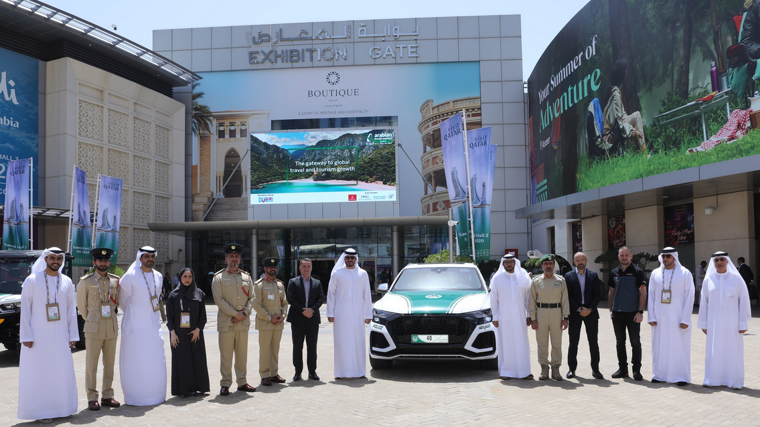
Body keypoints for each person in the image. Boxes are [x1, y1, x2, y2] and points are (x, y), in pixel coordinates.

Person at [17, 248, 79, 423]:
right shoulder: (32, 280)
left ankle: (63, 408)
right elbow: (25, 310)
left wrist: (73, 334)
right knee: (41, 373)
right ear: (45, 259)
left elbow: (70, 311)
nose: (56, 261)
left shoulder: (66, 281)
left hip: (60, 338)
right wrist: (26, 336)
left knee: (61, 372)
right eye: (53, 258)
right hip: (37, 338)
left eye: (59, 258)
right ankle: (42, 412)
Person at [118, 246, 167, 406]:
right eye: (146, 256)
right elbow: (123, 302)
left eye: (152, 256)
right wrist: (136, 317)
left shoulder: (158, 276)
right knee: (136, 362)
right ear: (140, 258)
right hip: (134, 329)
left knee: (154, 361)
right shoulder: (129, 277)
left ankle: (156, 395)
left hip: (153, 328)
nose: (150, 259)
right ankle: (135, 397)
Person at [698, 251, 752, 390]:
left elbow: (744, 302)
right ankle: (712, 379)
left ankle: (735, 381)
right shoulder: (708, 280)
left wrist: (743, 323)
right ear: (713, 263)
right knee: (713, 351)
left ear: (727, 261)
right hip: (713, 323)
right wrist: (703, 323)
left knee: (733, 351)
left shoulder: (736, 279)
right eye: (716, 260)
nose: (719, 262)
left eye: (722, 259)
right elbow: (703, 303)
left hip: (732, 323)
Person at [76, 247, 121, 411]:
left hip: (111, 326)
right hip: (93, 327)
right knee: (91, 364)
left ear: (109, 262)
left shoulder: (115, 280)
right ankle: (92, 397)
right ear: (94, 262)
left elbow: (117, 302)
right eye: (100, 260)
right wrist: (90, 318)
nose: (103, 263)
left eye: (106, 260)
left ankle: (107, 395)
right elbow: (81, 306)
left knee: (109, 364)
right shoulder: (85, 281)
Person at [212, 243, 256, 395]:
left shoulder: (247, 277)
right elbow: (219, 300)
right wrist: (234, 314)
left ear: (240, 259)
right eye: (231, 256)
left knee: (242, 355)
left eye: (236, 256)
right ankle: (225, 384)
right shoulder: (218, 278)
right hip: (226, 323)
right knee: (226, 356)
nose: (234, 259)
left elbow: (252, 297)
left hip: (242, 323)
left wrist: (245, 313)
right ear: (226, 258)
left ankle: (242, 382)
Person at [647, 247, 695, 386]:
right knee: (659, 346)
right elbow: (651, 295)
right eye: (663, 256)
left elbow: (690, 296)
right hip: (659, 318)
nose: (665, 259)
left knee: (679, 346)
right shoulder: (655, 273)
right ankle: (659, 375)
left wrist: (685, 318)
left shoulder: (685, 273)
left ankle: (681, 376)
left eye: (668, 256)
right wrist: (651, 316)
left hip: (678, 317)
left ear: (674, 257)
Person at [326, 248, 373, 379]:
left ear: (356, 259)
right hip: (340, 315)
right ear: (344, 258)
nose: (350, 260)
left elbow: (367, 295)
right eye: (348, 258)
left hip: (357, 315)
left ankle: (360, 371)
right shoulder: (337, 273)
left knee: (358, 341)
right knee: (342, 342)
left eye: (352, 258)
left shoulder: (363, 274)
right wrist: (330, 312)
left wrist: (368, 314)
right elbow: (331, 293)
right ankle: (340, 372)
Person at [167, 268, 210, 397]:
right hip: (179, 334)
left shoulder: (199, 294)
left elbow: (203, 315)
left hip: (195, 333)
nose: (187, 279)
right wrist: (172, 334)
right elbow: (169, 317)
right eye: (184, 276)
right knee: (182, 361)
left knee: (197, 360)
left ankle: (198, 387)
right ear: (180, 277)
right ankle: (184, 390)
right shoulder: (173, 295)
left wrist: (198, 329)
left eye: (190, 276)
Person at [608, 246, 648, 381]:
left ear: (631, 256)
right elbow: (611, 292)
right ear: (618, 256)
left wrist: (640, 311)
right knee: (620, 342)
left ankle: (636, 370)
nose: (624, 257)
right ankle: (623, 370)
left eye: (626, 255)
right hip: (617, 314)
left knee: (635, 342)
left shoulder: (638, 272)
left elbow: (643, 292)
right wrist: (611, 310)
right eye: (621, 255)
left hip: (633, 313)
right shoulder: (614, 272)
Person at [490, 254, 533, 380]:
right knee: (506, 344)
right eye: (506, 262)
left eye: (511, 262)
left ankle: (524, 371)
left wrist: (529, 314)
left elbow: (528, 298)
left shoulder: (523, 276)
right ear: (503, 264)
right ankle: (506, 371)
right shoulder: (497, 278)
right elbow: (494, 299)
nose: (509, 264)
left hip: (520, 317)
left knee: (522, 343)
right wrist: (495, 317)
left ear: (515, 263)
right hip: (504, 318)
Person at [528, 254, 569, 381]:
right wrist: (533, 318)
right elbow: (532, 301)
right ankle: (544, 368)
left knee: (557, 342)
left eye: (550, 264)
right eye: (546, 264)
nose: (548, 266)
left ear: (554, 265)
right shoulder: (536, 281)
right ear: (542, 266)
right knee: (542, 343)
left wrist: (565, 317)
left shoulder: (560, 280)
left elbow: (565, 300)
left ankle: (556, 368)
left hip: (556, 313)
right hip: (541, 313)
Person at [564, 252, 603, 380]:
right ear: (574, 262)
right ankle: (572, 369)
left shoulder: (593, 275)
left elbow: (597, 294)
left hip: (591, 314)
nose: (580, 262)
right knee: (573, 342)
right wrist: (579, 309)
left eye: (582, 259)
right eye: (577, 260)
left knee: (593, 342)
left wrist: (589, 309)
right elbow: (567, 296)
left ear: (586, 260)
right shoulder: (568, 276)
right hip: (575, 314)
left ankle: (596, 370)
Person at [253, 257, 289, 386]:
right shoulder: (259, 285)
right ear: (265, 268)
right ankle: (264, 375)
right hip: (265, 323)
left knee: (275, 350)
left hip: (278, 324)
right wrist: (269, 318)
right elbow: (256, 304)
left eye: (274, 267)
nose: (272, 269)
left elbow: (284, 303)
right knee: (265, 351)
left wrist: (283, 315)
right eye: (270, 267)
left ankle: (274, 373)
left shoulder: (280, 285)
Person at [287, 258, 324, 381]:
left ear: (311, 268)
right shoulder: (293, 282)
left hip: (312, 319)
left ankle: (312, 372)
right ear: (300, 268)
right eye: (304, 266)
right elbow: (290, 299)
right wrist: (303, 311)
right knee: (297, 346)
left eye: (308, 266)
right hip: (298, 319)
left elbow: (320, 299)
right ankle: (298, 372)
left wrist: (311, 310)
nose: (306, 268)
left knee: (312, 347)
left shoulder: (317, 283)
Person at [602, 58, 646, 155]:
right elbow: (618, 123)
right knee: (637, 115)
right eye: (626, 70)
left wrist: (632, 130)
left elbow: (622, 116)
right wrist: (633, 132)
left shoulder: (614, 91)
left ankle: (642, 152)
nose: (627, 72)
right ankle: (644, 152)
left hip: (613, 129)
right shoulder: (616, 94)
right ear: (623, 73)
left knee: (635, 116)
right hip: (610, 134)